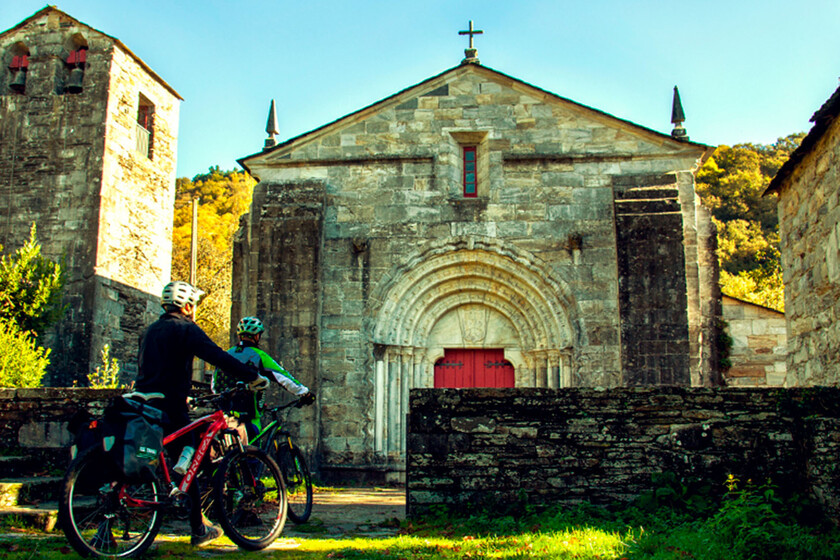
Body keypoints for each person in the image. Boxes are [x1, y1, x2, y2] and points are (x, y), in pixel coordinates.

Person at [134, 281, 269, 547]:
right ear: (187, 306)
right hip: (170, 405)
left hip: (141, 402)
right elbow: (216, 356)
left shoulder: (149, 330)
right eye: (192, 306)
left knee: (155, 458)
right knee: (190, 461)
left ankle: (110, 519)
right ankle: (198, 528)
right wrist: (251, 376)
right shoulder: (185, 328)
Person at [213, 316, 313, 440]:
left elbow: (214, 385)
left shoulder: (227, 354)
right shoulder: (259, 355)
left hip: (224, 418)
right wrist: (304, 393)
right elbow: (283, 377)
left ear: (240, 336)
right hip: (248, 418)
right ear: (256, 336)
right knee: (251, 454)